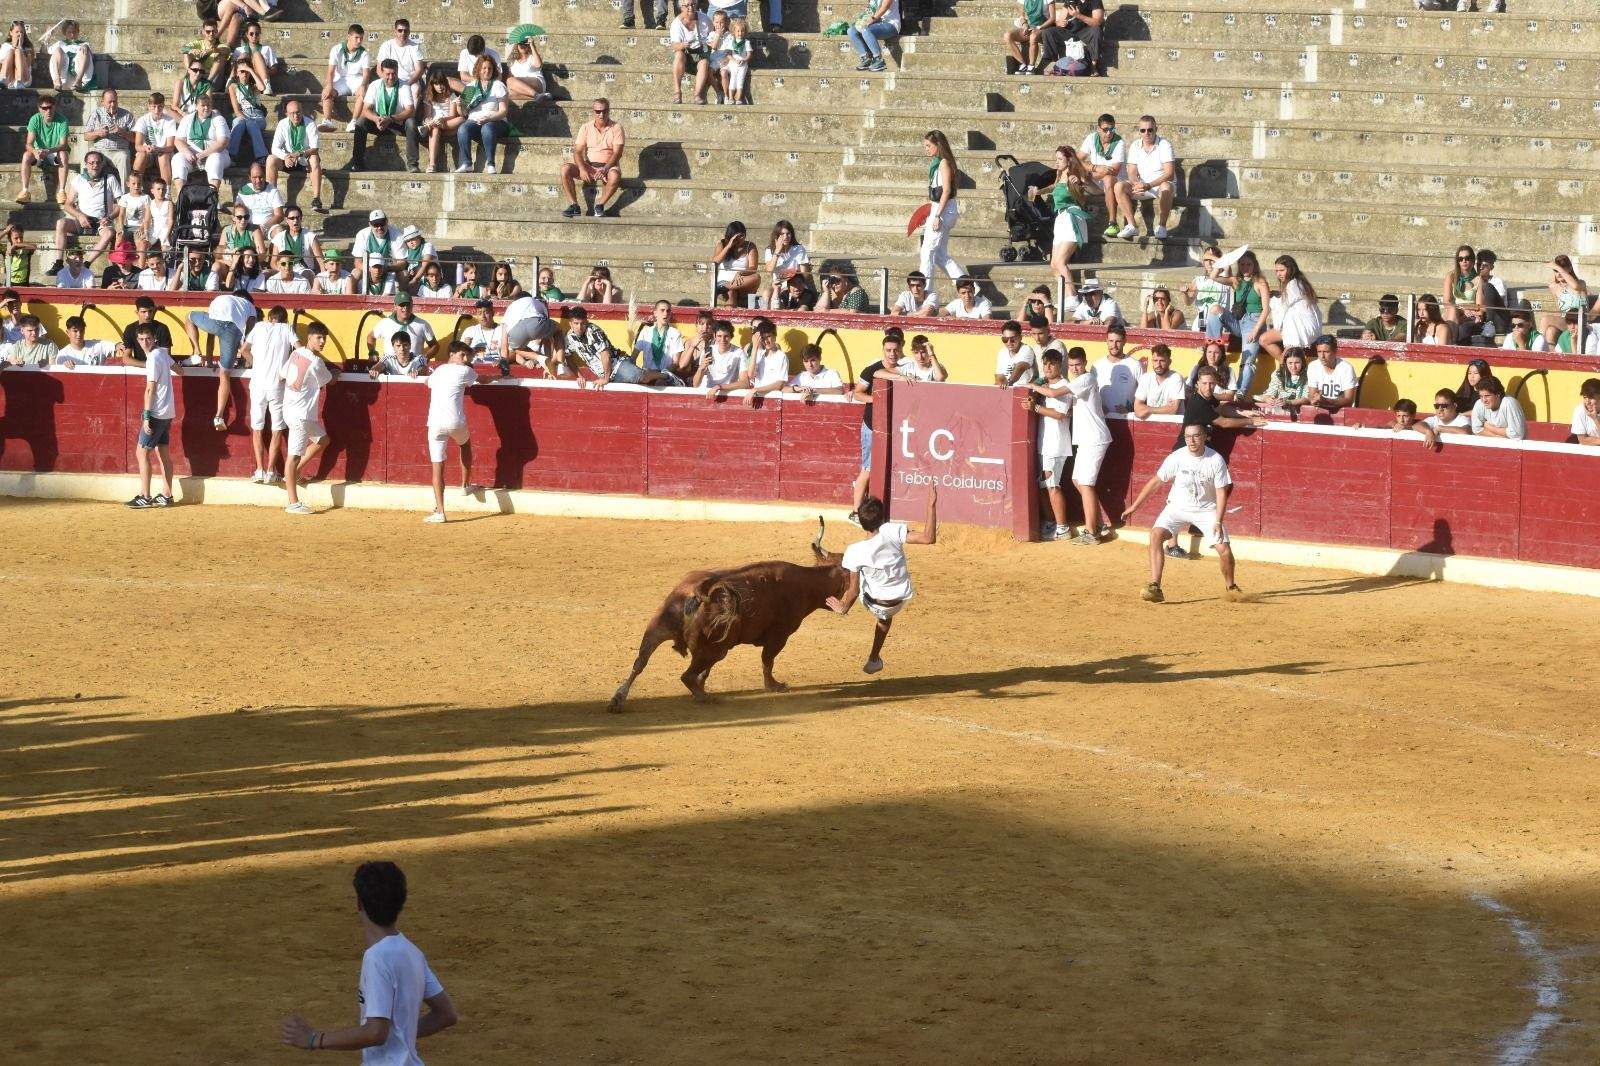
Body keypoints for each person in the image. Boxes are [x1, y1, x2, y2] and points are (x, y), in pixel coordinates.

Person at [280, 861, 458, 1055]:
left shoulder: (376, 958)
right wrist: (401, 1034)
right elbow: (446, 1014)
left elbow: (375, 1033)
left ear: (359, 903)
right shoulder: (412, 952)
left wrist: (315, 1039)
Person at [1123, 423, 1242, 602]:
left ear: (1205, 437)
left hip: (1206, 510)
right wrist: (1135, 506)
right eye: (1187, 436)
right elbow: (1156, 481)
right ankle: (1155, 586)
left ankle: (1231, 586)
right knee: (1155, 535)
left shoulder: (1216, 460)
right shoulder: (1177, 457)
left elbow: (1221, 493)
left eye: (1196, 436)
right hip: (1177, 507)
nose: (1191, 441)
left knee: (1224, 550)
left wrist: (1218, 521)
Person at [826, 486, 937, 675]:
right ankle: (873, 659)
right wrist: (931, 505)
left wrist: (843, 608)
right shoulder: (891, 530)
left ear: (861, 523)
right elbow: (928, 538)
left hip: (872, 603)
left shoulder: (854, 550)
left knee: (850, 567)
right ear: (883, 518)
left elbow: (854, 591)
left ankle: (874, 658)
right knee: (885, 616)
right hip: (898, 601)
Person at [421, 341, 487, 522]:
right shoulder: (465, 371)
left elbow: (427, 382)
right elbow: (482, 379)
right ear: (452, 354)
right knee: (465, 445)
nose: (465, 359)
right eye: (462, 355)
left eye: (467, 356)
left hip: (435, 423)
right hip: (455, 422)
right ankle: (465, 485)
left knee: (437, 466)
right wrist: (498, 377)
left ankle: (440, 512)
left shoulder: (439, 370)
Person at [1059, 346, 1115, 541]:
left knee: (1085, 483)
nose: (1074, 368)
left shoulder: (1086, 378)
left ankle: (1091, 532)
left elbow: (1053, 393)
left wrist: (1032, 385)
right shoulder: (1080, 381)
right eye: (1071, 365)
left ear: (1085, 363)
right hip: (1086, 439)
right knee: (1078, 481)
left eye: (1078, 364)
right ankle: (1099, 525)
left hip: (1094, 438)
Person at [849, 332, 907, 517]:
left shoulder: (905, 369)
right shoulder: (872, 369)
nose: (892, 354)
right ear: (883, 350)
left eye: (895, 350)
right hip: (872, 425)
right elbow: (858, 393)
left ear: (901, 349)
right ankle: (855, 511)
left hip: (895, 427)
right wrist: (878, 400)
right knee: (868, 468)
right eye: (888, 350)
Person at [279, 325, 333, 515]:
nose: (323, 341)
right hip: (301, 415)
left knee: (323, 440)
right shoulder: (316, 362)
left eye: (324, 338)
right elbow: (329, 380)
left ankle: (293, 475)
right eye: (319, 337)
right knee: (293, 457)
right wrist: (336, 373)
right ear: (309, 337)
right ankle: (293, 503)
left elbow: (282, 375)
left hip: (292, 410)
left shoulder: (296, 353)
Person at [126, 323, 181, 509]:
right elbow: (179, 369)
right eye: (141, 339)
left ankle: (145, 495)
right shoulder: (163, 354)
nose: (144, 343)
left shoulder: (152, 359)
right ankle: (167, 494)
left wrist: (147, 415)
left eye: (148, 339)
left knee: (141, 452)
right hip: (168, 412)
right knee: (163, 452)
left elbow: (150, 389)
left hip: (156, 413)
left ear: (154, 338)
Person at [241, 304, 296, 483]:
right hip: (277, 386)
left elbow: (244, 350)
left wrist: (256, 364)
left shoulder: (258, 327)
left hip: (257, 384)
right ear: (284, 319)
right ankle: (271, 471)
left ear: (269, 317)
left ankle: (259, 470)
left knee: (257, 429)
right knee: (277, 429)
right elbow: (300, 351)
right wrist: (286, 371)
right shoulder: (287, 329)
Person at [1031, 144, 1091, 305]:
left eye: (1060, 159)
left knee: (1060, 262)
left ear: (1069, 160)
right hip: (1060, 219)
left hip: (1072, 217)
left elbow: (1085, 193)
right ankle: (1065, 296)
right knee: (1053, 264)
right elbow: (1054, 187)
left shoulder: (1074, 175)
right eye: (1056, 158)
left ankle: (1072, 297)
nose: (1056, 162)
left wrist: (1080, 184)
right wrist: (1039, 192)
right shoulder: (1060, 173)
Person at [1024, 349, 1073, 539]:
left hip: (1056, 444)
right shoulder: (1043, 384)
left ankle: (1063, 527)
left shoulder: (1064, 386)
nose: (1048, 367)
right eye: (1045, 363)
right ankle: (1052, 523)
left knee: (1052, 485)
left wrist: (1035, 407)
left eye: (1052, 363)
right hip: (1044, 443)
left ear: (1060, 365)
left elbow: (1060, 414)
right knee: (1044, 485)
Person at [1113, 115, 1175, 240]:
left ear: (1156, 129)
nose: (1146, 133)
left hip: (1159, 186)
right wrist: (1136, 184)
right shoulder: (1135, 145)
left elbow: (1169, 174)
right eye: (1143, 130)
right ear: (1139, 131)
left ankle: (1162, 227)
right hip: (1141, 186)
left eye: (1150, 130)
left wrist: (1148, 185)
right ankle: (1132, 225)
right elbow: (1131, 171)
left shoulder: (1165, 145)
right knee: (1119, 186)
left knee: (1166, 186)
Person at [352, 58, 419, 172]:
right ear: (381, 73)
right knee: (360, 122)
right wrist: (376, 119)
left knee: (411, 122)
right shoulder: (374, 85)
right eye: (388, 74)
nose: (391, 77)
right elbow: (365, 109)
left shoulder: (404, 86)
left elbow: (410, 111)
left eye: (394, 73)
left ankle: (413, 164)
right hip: (379, 122)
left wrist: (390, 119)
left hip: (397, 123)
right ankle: (357, 163)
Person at [56, 150, 122, 266]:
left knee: (109, 233)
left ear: (102, 164)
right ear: (86, 164)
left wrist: (109, 217)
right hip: (82, 221)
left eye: (98, 162)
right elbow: (67, 204)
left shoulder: (110, 179)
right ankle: (58, 262)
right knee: (61, 223)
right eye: (91, 163)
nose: (95, 165)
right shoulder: (78, 179)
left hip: (101, 223)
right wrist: (79, 215)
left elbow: (121, 205)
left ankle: (86, 263)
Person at [561, 98, 625, 218]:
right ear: (593, 111)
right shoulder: (585, 127)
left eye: (604, 111)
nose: (601, 114)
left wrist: (605, 169)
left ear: (608, 111)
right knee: (565, 169)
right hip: (589, 166)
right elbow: (577, 152)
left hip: (608, 166)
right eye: (598, 111)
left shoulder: (617, 127)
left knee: (615, 175)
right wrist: (582, 169)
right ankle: (574, 206)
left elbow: (617, 153)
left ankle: (600, 205)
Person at [919, 130, 966, 283]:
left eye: (928, 145)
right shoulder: (937, 163)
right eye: (925, 146)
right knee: (940, 255)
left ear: (938, 145)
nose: (926, 149)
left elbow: (946, 191)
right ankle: (967, 285)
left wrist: (937, 216)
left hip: (943, 211)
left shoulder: (943, 163)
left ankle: (925, 290)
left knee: (927, 251)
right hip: (940, 208)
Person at [1256, 254, 1321, 363]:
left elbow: (1283, 306)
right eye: (1276, 271)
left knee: (1290, 355)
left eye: (1282, 270)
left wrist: (1268, 297)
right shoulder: (1293, 283)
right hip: (1291, 325)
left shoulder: (1294, 284)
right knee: (1264, 340)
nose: (1278, 274)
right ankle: (1284, 364)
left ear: (1291, 269)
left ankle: (1287, 367)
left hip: (1299, 327)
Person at [268, 99, 325, 213]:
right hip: (288, 159)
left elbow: (315, 148)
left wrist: (299, 154)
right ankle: (271, 199)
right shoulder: (282, 124)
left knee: (314, 158)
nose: (296, 116)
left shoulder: (310, 123)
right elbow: (274, 148)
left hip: (304, 159)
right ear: (286, 114)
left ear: (302, 111)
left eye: (298, 112)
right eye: (292, 113)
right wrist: (286, 157)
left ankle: (316, 199)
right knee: (270, 159)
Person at [457, 54, 509, 174]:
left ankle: (491, 164)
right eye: (484, 68)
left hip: (496, 121)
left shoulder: (498, 85)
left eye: (490, 68)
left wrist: (488, 118)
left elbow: (503, 111)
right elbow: (463, 114)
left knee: (487, 127)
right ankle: (467, 163)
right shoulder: (471, 86)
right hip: (474, 121)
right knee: (463, 129)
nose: (487, 71)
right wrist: (460, 106)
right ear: (478, 70)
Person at [170, 94, 230, 190]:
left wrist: (202, 154)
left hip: (214, 153)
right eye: (203, 105)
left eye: (208, 105)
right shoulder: (187, 119)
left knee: (215, 159)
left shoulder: (218, 119)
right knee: (177, 159)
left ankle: (213, 194)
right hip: (193, 156)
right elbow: (178, 140)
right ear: (196, 106)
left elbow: (222, 142)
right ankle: (181, 195)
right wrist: (187, 152)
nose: (206, 108)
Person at [17, 95, 69, 205]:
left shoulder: (63, 120)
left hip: (53, 152)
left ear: (54, 107)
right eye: (44, 108)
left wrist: (48, 151)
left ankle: (61, 191)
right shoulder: (34, 119)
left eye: (50, 107)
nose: (48, 111)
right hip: (39, 152)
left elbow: (63, 145)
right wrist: (35, 152)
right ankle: (25, 191)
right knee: (26, 155)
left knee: (64, 155)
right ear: (39, 109)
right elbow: (29, 144)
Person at [320, 23, 372, 131]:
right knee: (327, 91)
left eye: (361, 38)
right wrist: (329, 86)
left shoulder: (364, 53)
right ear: (349, 36)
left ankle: (354, 122)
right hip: (342, 79)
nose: (359, 41)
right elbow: (330, 71)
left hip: (358, 79)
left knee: (364, 93)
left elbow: (366, 74)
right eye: (356, 37)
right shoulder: (336, 49)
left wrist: (363, 85)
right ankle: (327, 121)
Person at [632, 299, 692, 382]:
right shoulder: (646, 332)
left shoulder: (675, 333)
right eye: (662, 310)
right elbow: (633, 357)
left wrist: (660, 376)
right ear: (655, 313)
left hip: (664, 377)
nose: (665, 313)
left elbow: (675, 363)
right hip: (647, 375)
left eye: (668, 311)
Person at [367, 291, 436, 362]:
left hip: (414, 367)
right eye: (402, 305)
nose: (405, 308)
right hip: (389, 366)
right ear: (395, 306)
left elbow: (435, 346)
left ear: (412, 305)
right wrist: (372, 353)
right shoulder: (385, 323)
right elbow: (371, 337)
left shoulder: (422, 324)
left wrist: (424, 358)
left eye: (408, 305)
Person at [668, 0, 712, 105]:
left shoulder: (704, 19)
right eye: (687, 5)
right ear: (681, 7)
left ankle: (697, 95)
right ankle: (677, 92)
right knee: (679, 54)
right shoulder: (677, 23)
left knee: (704, 62)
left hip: (700, 52)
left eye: (693, 4)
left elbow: (712, 34)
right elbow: (674, 45)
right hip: (685, 53)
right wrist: (682, 45)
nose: (690, 8)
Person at [226, 61, 271, 165]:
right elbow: (237, 110)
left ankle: (262, 156)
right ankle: (230, 155)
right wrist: (245, 119)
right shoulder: (233, 87)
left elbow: (262, 88)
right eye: (242, 71)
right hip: (242, 113)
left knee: (252, 124)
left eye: (246, 71)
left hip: (257, 115)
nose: (244, 73)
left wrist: (250, 70)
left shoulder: (254, 86)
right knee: (238, 123)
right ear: (237, 73)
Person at [739, 318, 789, 405]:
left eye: (768, 336)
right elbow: (751, 375)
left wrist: (757, 390)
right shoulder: (759, 354)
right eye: (763, 338)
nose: (766, 341)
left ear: (775, 336)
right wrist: (755, 347)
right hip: (757, 398)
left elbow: (780, 384)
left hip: (772, 399)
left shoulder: (781, 356)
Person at [763, 219, 811, 309]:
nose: (785, 237)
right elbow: (769, 270)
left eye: (788, 233)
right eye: (782, 234)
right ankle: (763, 313)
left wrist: (788, 275)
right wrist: (777, 251)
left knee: (779, 299)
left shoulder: (798, 249)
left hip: (793, 285)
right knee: (766, 293)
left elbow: (805, 275)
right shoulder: (770, 250)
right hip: (777, 284)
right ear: (777, 236)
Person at [691, 317, 745, 397]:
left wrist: (719, 387)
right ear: (714, 336)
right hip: (709, 393)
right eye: (719, 336)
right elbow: (696, 384)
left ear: (731, 336)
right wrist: (701, 368)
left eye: (726, 336)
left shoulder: (739, 352)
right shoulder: (708, 351)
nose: (723, 339)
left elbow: (745, 383)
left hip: (728, 394)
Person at [1092, 322, 1138, 414]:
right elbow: (1091, 394)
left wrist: (1129, 410)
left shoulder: (1135, 365)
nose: (1114, 345)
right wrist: (1099, 406)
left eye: (1118, 341)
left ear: (1124, 341)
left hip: (1126, 419)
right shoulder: (1096, 366)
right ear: (1106, 341)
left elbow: (1143, 396)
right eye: (1111, 341)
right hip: (1102, 419)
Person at [712, 221, 760, 305]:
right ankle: (726, 288)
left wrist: (740, 273)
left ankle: (727, 289)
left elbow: (753, 268)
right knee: (731, 293)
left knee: (756, 277)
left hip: (741, 282)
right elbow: (715, 262)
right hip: (724, 281)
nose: (739, 239)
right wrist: (729, 246)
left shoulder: (750, 246)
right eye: (736, 237)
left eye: (741, 236)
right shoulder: (722, 244)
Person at [1133, 343, 1186, 417]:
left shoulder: (1176, 378)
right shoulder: (1146, 378)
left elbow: (1173, 410)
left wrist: (1147, 409)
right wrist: (1165, 408)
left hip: (1172, 423)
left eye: (1162, 361)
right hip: (1151, 422)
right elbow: (1137, 408)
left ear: (1169, 362)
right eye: (1155, 360)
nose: (1158, 365)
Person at [1305, 334, 1356, 411]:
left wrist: (1326, 401)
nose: (1322, 356)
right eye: (1319, 352)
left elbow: (1348, 401)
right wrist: (1317, 400)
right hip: (1320, 411)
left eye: (1326, 352)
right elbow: (1313, 397)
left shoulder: (1346, 368)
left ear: (1335, 351)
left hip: (1341, 413)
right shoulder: (1313, 366)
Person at [1254, 347, 1312, 414]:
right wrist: (1268, 399)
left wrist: (1288, 402)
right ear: (1285, 363)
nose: (1293, 367)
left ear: (1303, 362)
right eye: (1290, 363)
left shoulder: (1309, 374)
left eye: (1297, 363)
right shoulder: (1278, 374)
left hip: (1302, 411)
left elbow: (1307, 398)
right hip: (1281, 411)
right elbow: (1270, 393)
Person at [848, 0, 900, 72]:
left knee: (865, 29)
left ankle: (879, 60)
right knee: (851, 31)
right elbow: (871, 11)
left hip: (891, 25)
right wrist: (862, 20)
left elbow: (885, 6)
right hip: (876, 24)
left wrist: (873, 19)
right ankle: (866, 58)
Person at [1470, 374, 1526, 440]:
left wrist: (1488, 427)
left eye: (1487, 396)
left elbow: (1517, 434)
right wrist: (1499, 437)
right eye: (1481, 396)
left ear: (1498, 394)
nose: (1484, 400)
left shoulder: (1509, 403)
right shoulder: (1479, 404)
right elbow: (1476, 429)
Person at [377, 18, 425, 90]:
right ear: (395, 32)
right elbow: (379, 69)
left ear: (409, 32)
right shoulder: (386, 46)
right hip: (389, 79)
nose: (403, 33)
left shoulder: (415, 47)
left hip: (409, 80)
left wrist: (407, 85)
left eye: (405, 31)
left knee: (415, 89)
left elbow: (419, 70)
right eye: (400, 30)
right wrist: (388, 82)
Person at [47, 19, 94, 92]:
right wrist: (48, 37)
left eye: (74, 32)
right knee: (57, 50)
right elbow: (45, 51)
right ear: (64, 33)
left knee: (84, 49)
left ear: (78, 32)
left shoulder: (84, 44)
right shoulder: (60, 43)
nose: (72, 35)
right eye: (69, 32)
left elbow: (91, 55)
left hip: (79, 75)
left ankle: (79, 80)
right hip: (63, 76)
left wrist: (86, 46)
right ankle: (57, 80)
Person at [505, 38, 551, 104]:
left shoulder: (532, 57)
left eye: (525, 43)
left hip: (536, 82)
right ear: (517, 45)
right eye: (520, 43)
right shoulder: (513, 62)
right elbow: (510, 81)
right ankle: (541, 96)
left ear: (528, 45)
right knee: (507, 94)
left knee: (510, 80)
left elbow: (539, 65)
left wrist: (532, 45)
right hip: (521, 88)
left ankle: (536, 95)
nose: (523, 45)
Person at [993, 319, 1037, 387]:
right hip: (1007, 389)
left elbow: (1020, 367)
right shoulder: (1002, 352)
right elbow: (999, 375)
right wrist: (1000, 383)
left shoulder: (1026, 349)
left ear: (1020, 338)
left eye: (1013, 339)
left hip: (1024, 388)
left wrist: (1009, 383)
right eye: (1005, 339)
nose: (1009, 343)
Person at [0, 19, 33, 91]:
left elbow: (28, 65)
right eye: (17, 32)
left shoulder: (28, 48)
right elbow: (1, 63)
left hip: (24, 78)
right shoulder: (5, 46)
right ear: (11, 33)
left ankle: (19, 81)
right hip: (9, 76)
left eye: (21, 32)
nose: (19, 34)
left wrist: (20, 48)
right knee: (11, 51)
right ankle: (3, 80)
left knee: (18, 51)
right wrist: (13, 47)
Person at [1571, 378, 1600, 446]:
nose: (1587, 402)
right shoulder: (1579, 411)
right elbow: (1582, 440)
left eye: (1591, 398)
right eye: (1585, 397)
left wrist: (1595, 419)